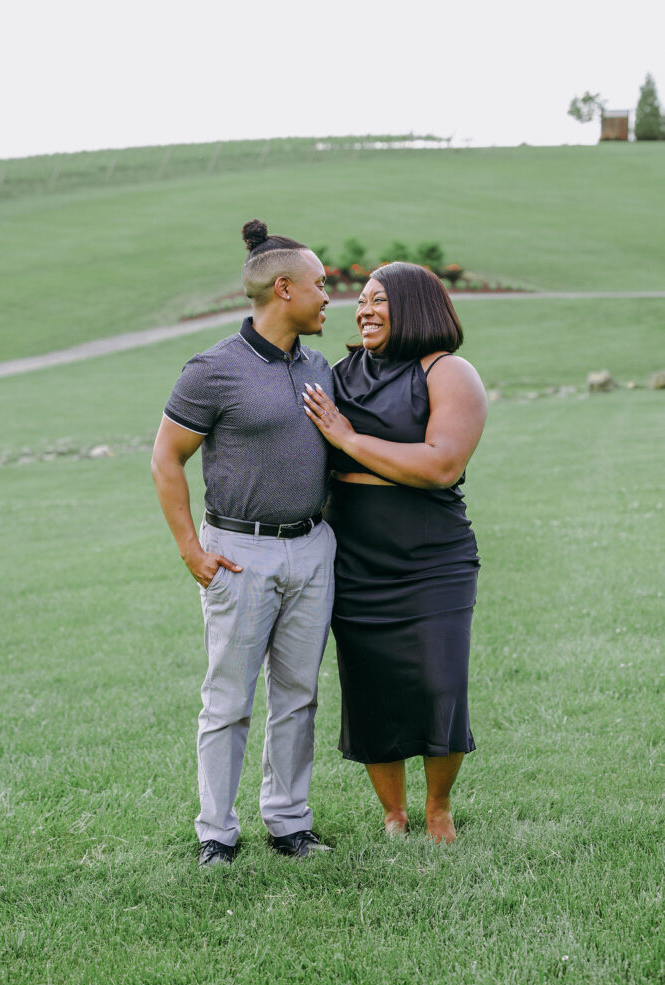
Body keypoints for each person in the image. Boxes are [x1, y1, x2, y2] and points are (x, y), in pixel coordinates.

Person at [152, 220, 336, 867]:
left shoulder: (319, 367)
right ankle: (216, 835)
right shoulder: (213, 370)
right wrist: (190, 551)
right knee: (228, 700)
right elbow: (166, 459)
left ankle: (288, 823)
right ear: (283, 289)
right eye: (320, 285)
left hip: (313, 550)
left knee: (298, 695)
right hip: (238, 553)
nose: (327, 297)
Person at [303, 261, 487, 843]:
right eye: (361, 300)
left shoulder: (448, 372)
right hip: (354, 554)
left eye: (379, 300)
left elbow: (441, 464)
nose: (363, 309)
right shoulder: (338, 374)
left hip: (432, 556)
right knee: (368, 685)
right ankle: (392, 813)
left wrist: (349, 439)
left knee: (440, 682)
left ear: (416, 305)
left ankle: (437, 807)